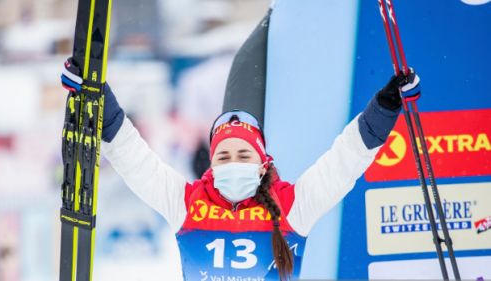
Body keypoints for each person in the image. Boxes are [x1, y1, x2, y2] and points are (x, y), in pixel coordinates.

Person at [60, 16, 420, 281]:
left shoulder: (292, 207)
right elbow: (134, 159)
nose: (233, 163)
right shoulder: (186, 203)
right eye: (224, 156)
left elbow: (344, 162)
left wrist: (386, 106)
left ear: (263, 164)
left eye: (243, 155)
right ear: (211, 164)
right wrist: (97, 96)